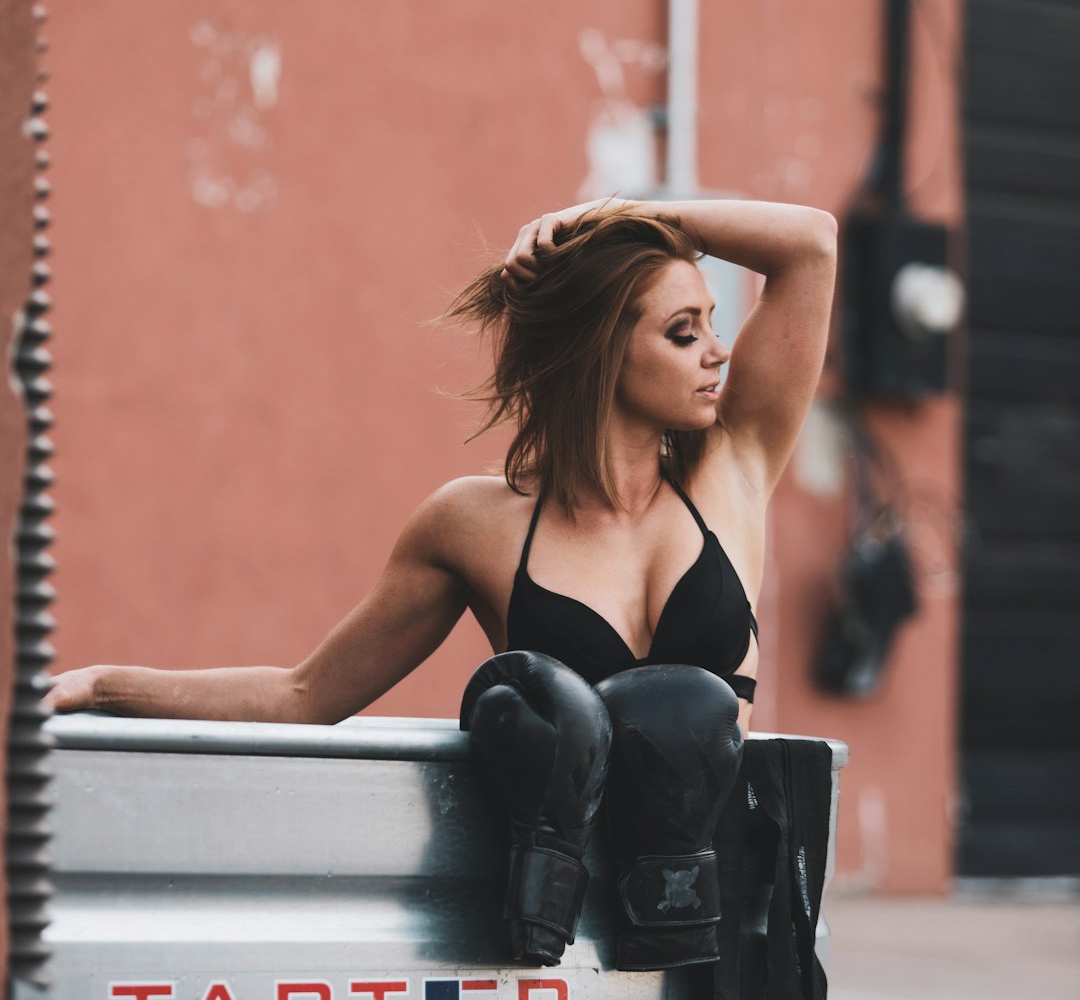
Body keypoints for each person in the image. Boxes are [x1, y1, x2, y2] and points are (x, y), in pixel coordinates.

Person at [44, 195, 837, 727]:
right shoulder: (474, 526)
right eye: (683, 331)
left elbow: (810, 244)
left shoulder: (731, 471)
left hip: (730, 925)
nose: (719, 352)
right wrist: (103, 686)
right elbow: (307, 694)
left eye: (711, 322)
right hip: (558, 936)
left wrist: (617, 214)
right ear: (601, 353)